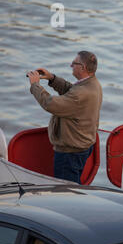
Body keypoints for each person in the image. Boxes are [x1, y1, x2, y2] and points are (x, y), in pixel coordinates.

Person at [27, 51, 102, 184]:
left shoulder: (80, 93)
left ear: (83, 68)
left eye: (74, 63)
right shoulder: (92, 84)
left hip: (70, 153)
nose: (70, 65)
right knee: (73, 187)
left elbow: (50, 104)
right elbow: (71, 90)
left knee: (67, 192)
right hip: (82, 147)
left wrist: (35, 85)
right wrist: (52, 78)